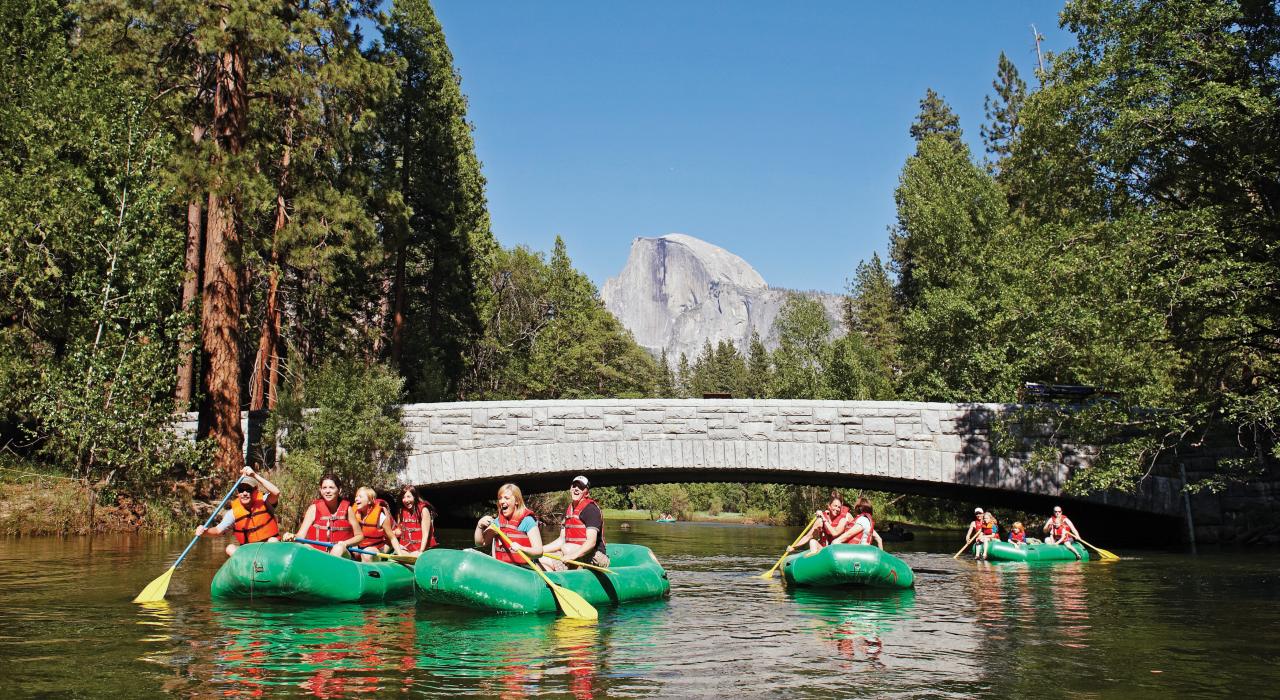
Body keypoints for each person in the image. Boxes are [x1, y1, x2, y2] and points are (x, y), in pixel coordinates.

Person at [196, 466, 282, 557]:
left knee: (273, 541)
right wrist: (205, 532)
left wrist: (254, 475)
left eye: (248, 490)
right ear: (238, 493)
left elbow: (276, 492)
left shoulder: (264, 501)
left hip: (268, 549)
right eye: (241, 490)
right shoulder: (233, 513)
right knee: (230, 548)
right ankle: (248, 564)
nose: (244, 493)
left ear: (255, 491)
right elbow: (218, 531)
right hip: (249, 553)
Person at [541, 475, 610, 571]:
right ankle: (556, 577)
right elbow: (561, 540)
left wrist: (572, 556)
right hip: (570, 552)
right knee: (542, 559)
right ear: (570, 489)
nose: (576, 489)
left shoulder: (591, 510)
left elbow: (591, 542)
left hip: (595, 556)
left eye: (581, 487)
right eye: (574, 486)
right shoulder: (569, 510)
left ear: (586, 492)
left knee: (567, 548)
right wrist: (540, 550)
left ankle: (574, 573)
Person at [283, 474, 359, 557]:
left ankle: (330, 563)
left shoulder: (348, 509)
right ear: (320, 490)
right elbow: (301, 535)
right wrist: (292, 537)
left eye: (331, 487)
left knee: (338, 548)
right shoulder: (313, 509)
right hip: (319, 554)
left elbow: (359, 536)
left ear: (339, 490)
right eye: (324, 488)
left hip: (342, 555)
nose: (327, 491)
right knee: (306, 547)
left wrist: (345, 543)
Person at [475, 483, 543, 566]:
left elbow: (539, 552)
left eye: (506, 498)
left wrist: (521, 548)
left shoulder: (528, 521)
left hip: (524, 568)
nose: (502, 501)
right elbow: (480, 543)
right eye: (500, 498)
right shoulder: (497, 522)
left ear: (517, 501)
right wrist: (479, 526)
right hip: (502, 567)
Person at [352, 486, 405, 562]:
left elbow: (392, 537)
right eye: (356, 496)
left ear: (369, 501)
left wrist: (400, 555)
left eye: (360, 497)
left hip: (378, 547)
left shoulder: (380, 516)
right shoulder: (353, 512)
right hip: (361, 546)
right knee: (354, 551)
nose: (356, 499)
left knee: (366, 554)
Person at [393, 484, 436, 558]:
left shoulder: (424, 510)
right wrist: (393, 532)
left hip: (421, 548)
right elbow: (399, 530)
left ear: (414, 496)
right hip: (405, 547)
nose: (406, 500)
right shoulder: (401, 511)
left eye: (408, 497)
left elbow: (425, 534)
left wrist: (421, 551)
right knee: (398, 553)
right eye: (403, 497)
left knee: (412, 556)